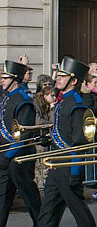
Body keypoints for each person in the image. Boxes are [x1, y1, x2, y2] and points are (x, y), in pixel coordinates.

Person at [37, 57, 96, 227]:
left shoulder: (77, 105)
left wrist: (75, 172)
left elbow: (79, 142)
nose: (58, 78)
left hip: (69, 166)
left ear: (74, 80)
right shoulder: (63, 102)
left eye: (63, 76)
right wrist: (48, 139)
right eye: (58, 75)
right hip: (57, 164)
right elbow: (62, 131)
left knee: (79, 210)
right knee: (48, 211)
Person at [0, 60, 41, 226]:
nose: (1, 80)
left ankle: (42, 223)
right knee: (3, 197)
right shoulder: (7, 98)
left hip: (20, 158)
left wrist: (8, 156)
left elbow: (23, 135)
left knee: (29, 196)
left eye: (5, 77)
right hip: (5, 156)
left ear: (14, 80)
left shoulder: (23, 101)